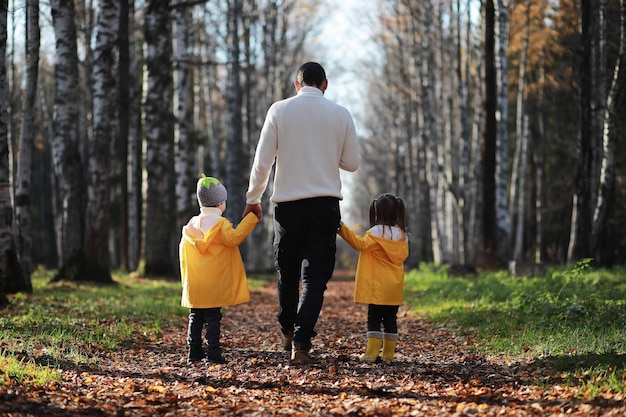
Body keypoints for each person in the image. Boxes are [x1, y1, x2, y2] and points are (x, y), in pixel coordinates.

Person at [243, 62, 360, 364]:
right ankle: (302, 341)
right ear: (325, 84)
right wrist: (326, 151)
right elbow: (352, 163)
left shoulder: (279, 111)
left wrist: (253, 198)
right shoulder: (341, 113)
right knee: (315, 278)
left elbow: (262, 161)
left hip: (288, 207)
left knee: (288, 271)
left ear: (297, 85)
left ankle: (286, 329)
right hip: (325, 205)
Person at [180, 174, 260, 364]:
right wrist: (251, 219)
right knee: (213, 317)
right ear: (220, 204)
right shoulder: (220, 224)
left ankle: (194, 351)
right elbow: (234, 239)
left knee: (195, 316)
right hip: (214, 281)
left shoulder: (191, 225)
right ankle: (213, 351)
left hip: (195, 282)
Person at [337, 193, 409, 362]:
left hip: (377, 286)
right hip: (393, 287)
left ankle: (371, 354)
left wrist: (341, 228)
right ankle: (388, 355)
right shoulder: (402, 235)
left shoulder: (376, 232)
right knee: (391, 319)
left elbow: (359, 245)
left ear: (378, 213)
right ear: (396, 212)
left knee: (374, 318)